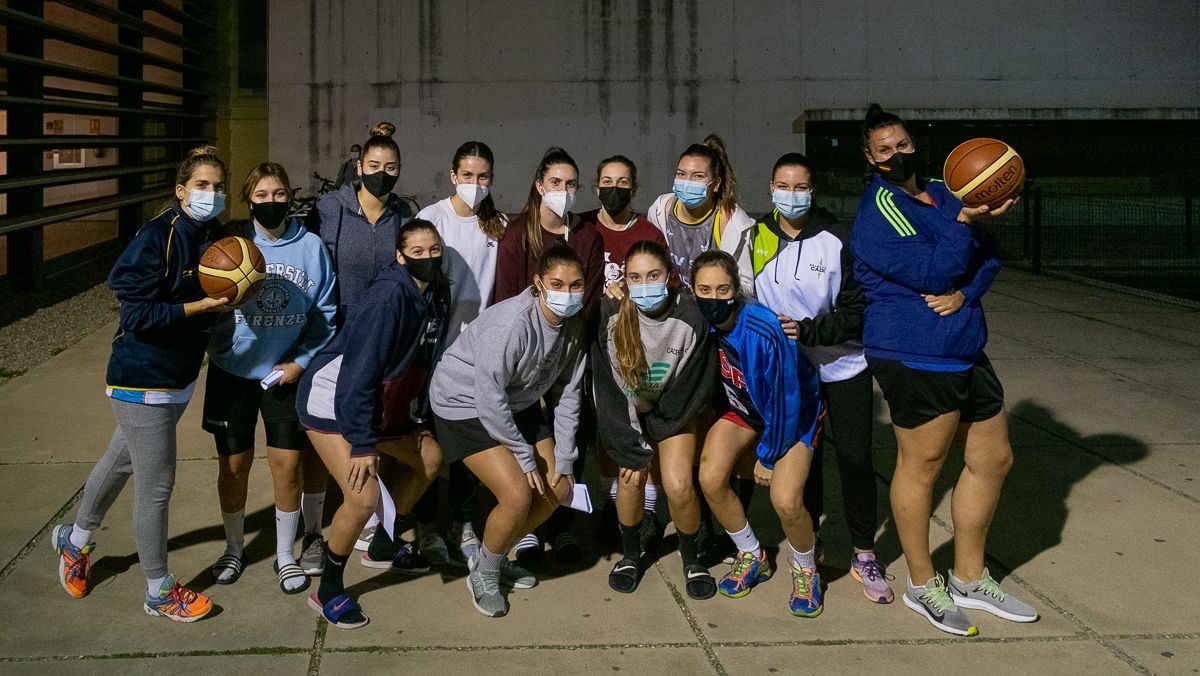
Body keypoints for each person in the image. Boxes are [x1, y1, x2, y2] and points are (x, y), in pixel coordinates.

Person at [851, 103, 1037, 636]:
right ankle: (921, 583)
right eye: (884, 149)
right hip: (914, 352)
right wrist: (964, 225)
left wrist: (966, 293)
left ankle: (969, 578)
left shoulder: (947, 188)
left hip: (965, 346)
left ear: (915, 143)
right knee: (923, 466)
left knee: (993, 459)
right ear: (870, 158)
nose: (896, 153)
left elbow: (989, 256)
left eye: (902, 144)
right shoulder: (878, 212)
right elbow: (936, 271)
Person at [51, 146, 231, 621]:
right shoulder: (156, 237)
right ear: (181, 190)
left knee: (120, 461)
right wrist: (201, 307)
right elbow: (137, 316)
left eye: (218, 186)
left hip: (179, 376)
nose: (211, 194)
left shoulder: (214, 235)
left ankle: (75, 540)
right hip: (141, 377)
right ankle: (159, 590)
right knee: (157, 484)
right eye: (201, 185)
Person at [748, 153, 891, 604]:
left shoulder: (838, 238)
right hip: (792, 371)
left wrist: (809, 330)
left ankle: (864, 553)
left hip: (844, 365)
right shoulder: (756, 236)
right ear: (770, 188)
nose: (790, 195)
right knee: (803, 466)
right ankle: (810, 546)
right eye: (782, 186)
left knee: (854, 458)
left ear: (812, 192)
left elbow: (856, 311)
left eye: (799, 187)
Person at [295, 218, 448, 629]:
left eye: (434, 250)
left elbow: (421, 358)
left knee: (430, 458)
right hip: (334, 400)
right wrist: (363, 443)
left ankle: (382, 545)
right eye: (417, 252)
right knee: (362, 498)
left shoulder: (435, 290)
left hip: (374, 401)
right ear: (400, 256)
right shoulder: (387, 298)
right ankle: (327, 589)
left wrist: (413, 414)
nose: (428, 257)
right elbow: (358, 375)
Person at [430, 243, 588, 618]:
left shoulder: (575, 325)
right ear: (538, 283)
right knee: (517, 494)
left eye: (575, 285)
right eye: (557, 284)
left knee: (559, 486)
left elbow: (568, 393)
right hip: (463, 403)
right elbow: (488, 398)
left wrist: (565, 457)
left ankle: (494, 557)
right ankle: (484, 574)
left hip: (517, 400)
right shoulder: (512, 324)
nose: (567, 293)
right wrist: (523, 455)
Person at [202, 162, 337, 595]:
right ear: (248, 199)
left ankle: (284, 554)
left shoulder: (311, 246)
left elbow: (326, 314)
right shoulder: (230, 248)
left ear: (290, 197)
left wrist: (301, 361)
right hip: (233, 372)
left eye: (279, 194)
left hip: (285, 373)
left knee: (288, 466)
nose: (271, 202)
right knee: (233, 466)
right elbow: (205, 308)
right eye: (261, 195)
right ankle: (234, 548)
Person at [693, 251, 826, 617]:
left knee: (785, 499)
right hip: (746, 409)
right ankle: (752, 554)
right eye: (704, 290)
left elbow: (786, 397)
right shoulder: (700, 320)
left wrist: (768, 455)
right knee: (710, 477)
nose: (714, 298)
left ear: (736, 289)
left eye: (723, 289)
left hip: (793, 414)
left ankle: (806, 569)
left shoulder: (763, 327)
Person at [307, 121, 414, 554]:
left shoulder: (405, 215)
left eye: (391, 167)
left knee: (373, 426)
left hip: (381, 336)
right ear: (358, 167)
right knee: (322, 431)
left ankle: (371, 519)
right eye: (373, 165)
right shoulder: (329, 208)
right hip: (333, 337)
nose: (381, 174)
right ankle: (314, 529)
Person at [491, 147, 603, 562]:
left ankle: (562, 521)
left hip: (568, 347)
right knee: (525, 432)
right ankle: (528, 527)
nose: (563, 190)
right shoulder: (518, 234)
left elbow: (588, 298)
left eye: (571, 184)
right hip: (523, 354)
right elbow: (505, 299)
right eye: (555, 182)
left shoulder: (588, 237)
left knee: (570, 431)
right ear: (539, 185)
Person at [592, 241, 716, 597]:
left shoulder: (691, 317)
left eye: (653, 275)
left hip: (673, 410)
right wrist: (635, 446)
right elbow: (608, 387)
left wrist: (657, 437)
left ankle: (691, 559)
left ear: (670, 276)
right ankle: (631, 555)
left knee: (678, 483)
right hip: (629, 409)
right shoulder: (611, 312)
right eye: (635, 277)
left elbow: (691, 386)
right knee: (630, 478)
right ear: (624, 279)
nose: (644, 285)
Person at [412, 141, 508, 565]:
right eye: (467, 175)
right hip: (435, 350)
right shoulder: (432, 219)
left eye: (482, 176)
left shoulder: (498, 226)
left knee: (473, 442)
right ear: (453, 176)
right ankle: (427, 525)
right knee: (429, 443)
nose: (475, 183)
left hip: (479, 355)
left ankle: (463, 522)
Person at [579, 155, 669, 550]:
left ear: (634, 188)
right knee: (605, 427)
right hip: (591, 343)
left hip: (638, 346)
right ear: (595, 186)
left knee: (642, 427)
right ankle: (611, 503)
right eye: (607, 180)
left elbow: (665, 287)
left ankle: (646, 509)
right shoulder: (582, 227)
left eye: (622, 182)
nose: (614, 188)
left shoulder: (648, 232)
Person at [646, 134, 755, 293]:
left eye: (698, 176)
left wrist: (712, 292)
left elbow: (745, 284)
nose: (687, 182)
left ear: (716, 184)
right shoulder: (660, 211)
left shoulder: (732, 221)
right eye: (681, 174)